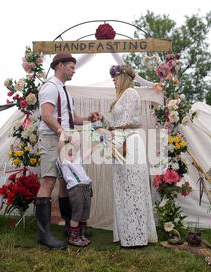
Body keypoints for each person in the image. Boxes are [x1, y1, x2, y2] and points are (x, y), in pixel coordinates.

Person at [35, 53, 100, 249]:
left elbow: (71, 118)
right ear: (60, 66)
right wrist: (64, 133)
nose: (74, 70)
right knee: (48, 181)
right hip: (51, 138)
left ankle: (68, 227)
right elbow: (46, 116)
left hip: (64, 136)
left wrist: (89, 118)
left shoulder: (65, 91)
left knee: (66, 182)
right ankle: (44, 234)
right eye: (71, 67)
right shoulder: (49, 87)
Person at [99, 64, 158, 247]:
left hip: (130, 142)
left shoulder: (131, 93)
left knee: (133, 187)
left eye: (115, 77)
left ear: (123, 77)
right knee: (123, 186)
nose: (113, 81)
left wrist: (108, 129)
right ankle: (127, 233)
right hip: (120, 140)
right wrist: (103, 121)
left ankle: (137, 235)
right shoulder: (121, 96)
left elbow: (126, 121)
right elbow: (119, 121)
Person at [56, 132, 97, 247]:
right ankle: (73, 237)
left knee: (84, 214)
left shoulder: (77, 160)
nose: (72, 151)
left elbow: (88, 153)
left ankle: (81, 235)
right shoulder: (64, 161)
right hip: (76, 189)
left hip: (86, 188)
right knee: (77, 214)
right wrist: (62, 135)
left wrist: (97, 145)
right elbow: (60, 147)